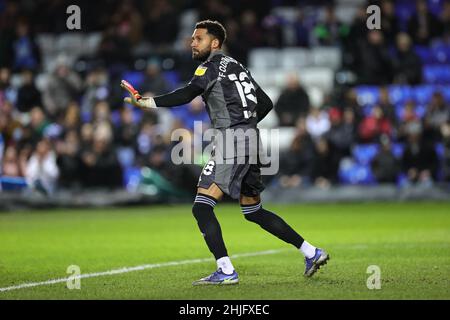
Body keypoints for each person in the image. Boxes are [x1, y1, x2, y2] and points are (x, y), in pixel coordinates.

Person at [121, 20, 329, 285]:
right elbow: (264, 103)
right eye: (192, 38)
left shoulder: (208, 68)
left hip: (233, 141)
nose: (192, 43)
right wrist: (246, 125)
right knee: (254, 211)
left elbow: (186, 94)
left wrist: (145, 102)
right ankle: (312, 252)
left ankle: (226, 271)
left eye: (198, 39)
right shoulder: (238, 67)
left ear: (215, 43)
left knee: (201, 207)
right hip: (251, 140)